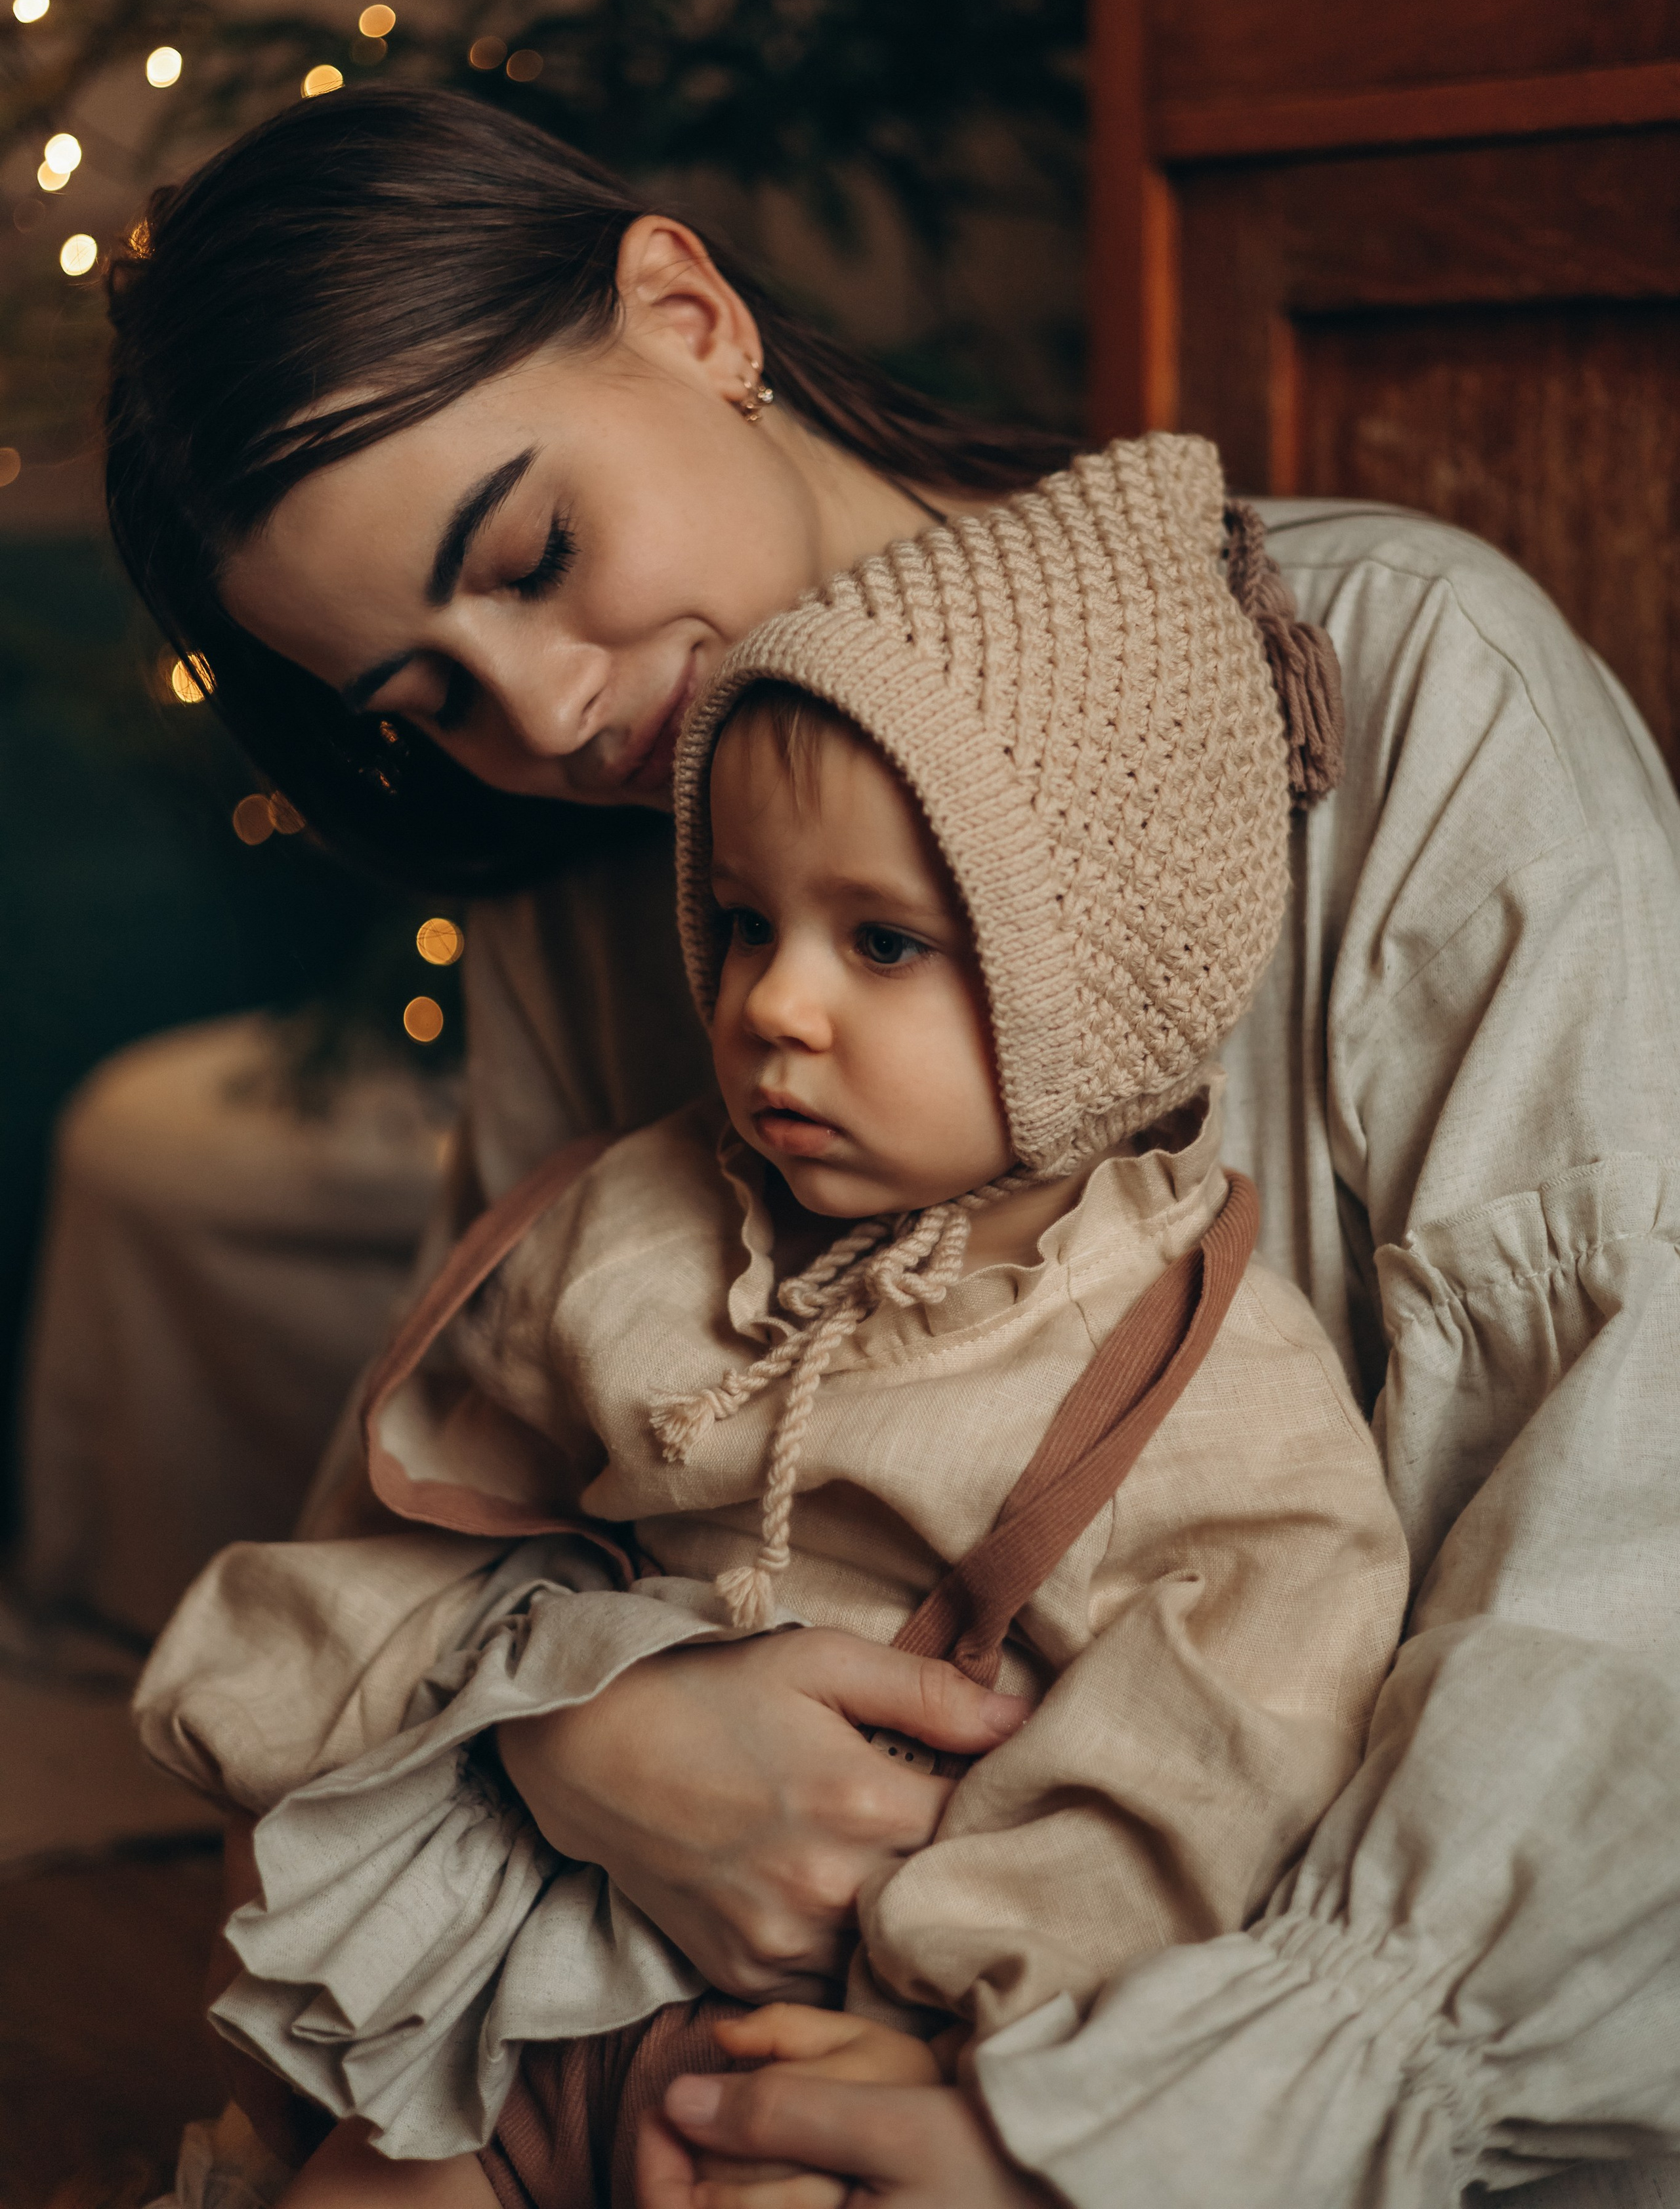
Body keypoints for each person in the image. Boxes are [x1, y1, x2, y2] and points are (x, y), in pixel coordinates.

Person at [106, 89, 1680, 2209]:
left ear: (689, 315)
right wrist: (582, 1739)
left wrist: (1137, 2121)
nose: (547, 716)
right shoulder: (588, 891)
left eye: (534, 558)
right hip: (701, 2019)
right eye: (430, 696)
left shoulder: (1400, 680)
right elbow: (463, 1501)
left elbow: (1629, 1531)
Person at [136, 433, 1408, 2204]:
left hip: (845, 2035)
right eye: (741, 924)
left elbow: (1201, 1758)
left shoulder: (1195, 1367)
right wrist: (370, 1699)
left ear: (1098, 982)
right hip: (525, 1975)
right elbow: (435, 1512)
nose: (771, 1006)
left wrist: (968, 2013)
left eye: (880, 943)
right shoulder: (638, 1224)